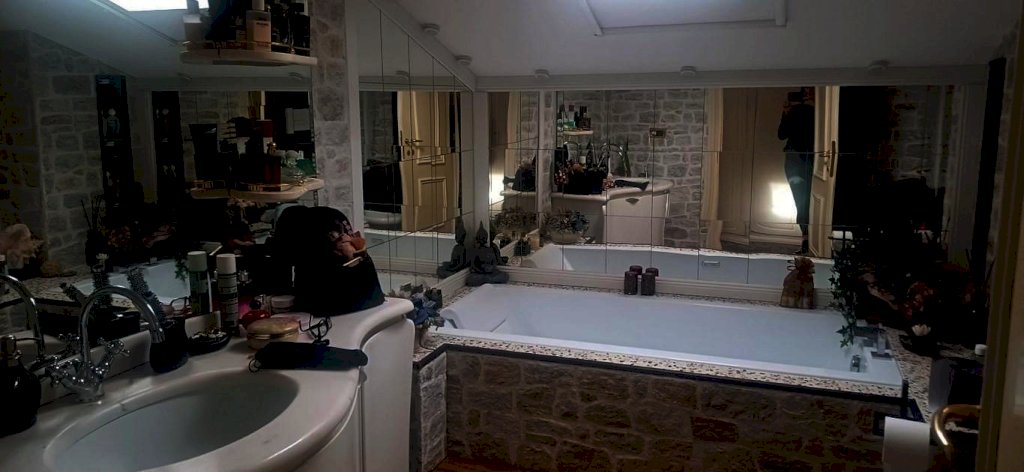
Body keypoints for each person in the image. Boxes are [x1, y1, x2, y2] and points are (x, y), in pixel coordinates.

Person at [778, 87, 815, 255]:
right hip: (810, 158)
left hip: (794, 160)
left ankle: (806, 238)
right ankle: (810, 239)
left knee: (800, 200)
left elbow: (781, 135)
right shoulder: (814, 112)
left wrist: (785, 113)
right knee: (808, 200)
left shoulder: (792, 112)